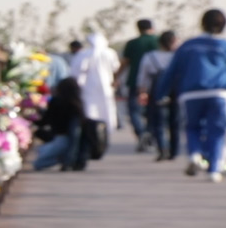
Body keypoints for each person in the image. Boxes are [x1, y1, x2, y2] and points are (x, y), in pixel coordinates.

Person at [155, 9, 226, 182]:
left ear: (202, 23)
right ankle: (214, 170)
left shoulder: (188, 45)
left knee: (192, 127)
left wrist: (161, 93)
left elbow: (171, 71)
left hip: (191, 93)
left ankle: (194, 155)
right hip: (220, 92)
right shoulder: (225, 45)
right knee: (217, 130)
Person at [137, 30, 179, 160]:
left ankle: (162, 149)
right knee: (175, 122)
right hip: (176, 90)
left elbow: (143, 77)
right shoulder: (178, 56)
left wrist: (142, 92)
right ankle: (174, 151)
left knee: (158, 122)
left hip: (157, 91)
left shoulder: (150, 56)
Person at [33, 77, 88, 170]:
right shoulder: (78, 105)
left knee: (38, 163)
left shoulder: (57, 101)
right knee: (42, 152)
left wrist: (31, 120)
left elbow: (45, 121)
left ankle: (63, 159)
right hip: (71, 142)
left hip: (61, 139)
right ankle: (65, 159)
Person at [70, 32, 119, 134]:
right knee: (106, 106)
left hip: (89, 86)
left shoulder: (84, 54)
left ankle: (92, 128)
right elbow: (116, 67)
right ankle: (106, 128)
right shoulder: (110, 53)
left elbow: (77, 71)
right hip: (105, 85)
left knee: (90, 107)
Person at [121, 19, 159, 150]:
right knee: (153, 111)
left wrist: (116, 77)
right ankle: (149, 134)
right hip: (155, 82)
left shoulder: (132, 43)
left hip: (135, 81)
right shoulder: (158, 41)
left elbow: (125, 62)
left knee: (134, 111)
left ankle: (141, 133)